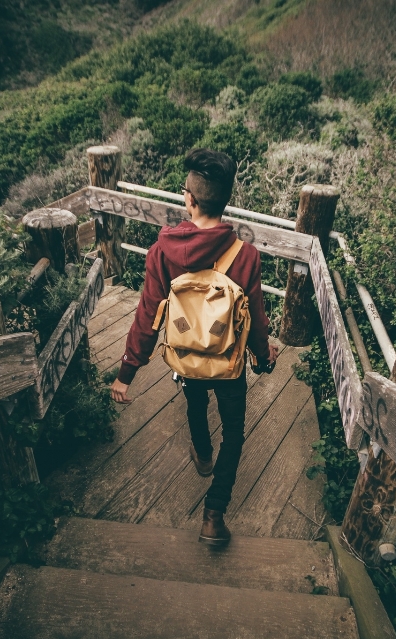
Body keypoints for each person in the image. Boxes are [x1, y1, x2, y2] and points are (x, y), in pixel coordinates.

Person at [110, 148, 278, 546]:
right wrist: (262, 354)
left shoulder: (162, 251)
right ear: (223, 200)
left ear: (190, 199)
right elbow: (254, 315)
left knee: (195, 400)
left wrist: (126, 374)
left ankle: (202, 453)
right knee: (234, 432)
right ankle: (214, 515)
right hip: (230, 361)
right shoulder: (246, 254)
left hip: (185, 359)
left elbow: (147, 317)